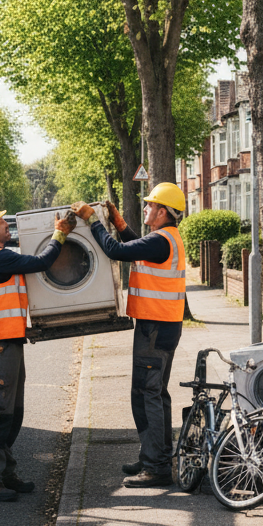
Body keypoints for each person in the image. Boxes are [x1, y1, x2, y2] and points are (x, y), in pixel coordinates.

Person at [71, 182, 187, 488]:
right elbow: (137, 247)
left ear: (163, 212)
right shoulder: (165, 239)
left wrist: (92, 220)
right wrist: (121, 224)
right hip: (162, 325)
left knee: (146, 394)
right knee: (156, 393)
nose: (145, 208)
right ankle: (155, 455)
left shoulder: (161, 240)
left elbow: (116, 251)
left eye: (149, 205)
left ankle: (156, 467)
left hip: (155, 327)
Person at [0, 202, 75, 502]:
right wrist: (59, 233)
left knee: (13, 414)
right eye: (0, 221)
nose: (6, 224)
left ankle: (5, 472)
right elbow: (42, 262)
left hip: (8, 342)